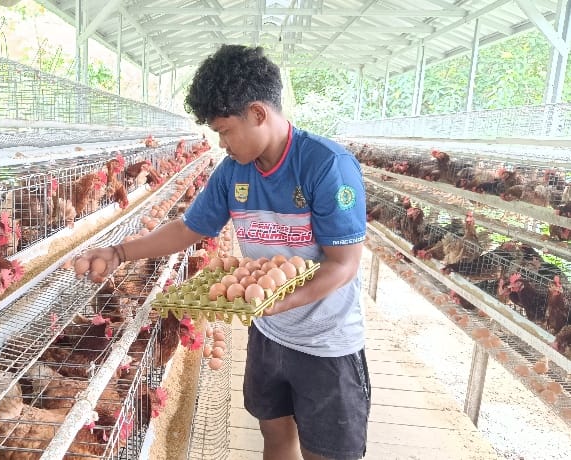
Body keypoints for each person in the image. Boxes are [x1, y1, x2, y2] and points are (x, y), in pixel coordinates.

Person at [74, 44, 370, 460]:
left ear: (258, 113)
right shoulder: (233, 172)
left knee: (328, 453)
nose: (221, 142)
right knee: (275, 435)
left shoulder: (325, 165)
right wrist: (120, 252)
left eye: (225, 131)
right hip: (269, 335)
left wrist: (278, 300)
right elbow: (188, 228)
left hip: (326, 343)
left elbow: (344, 264)